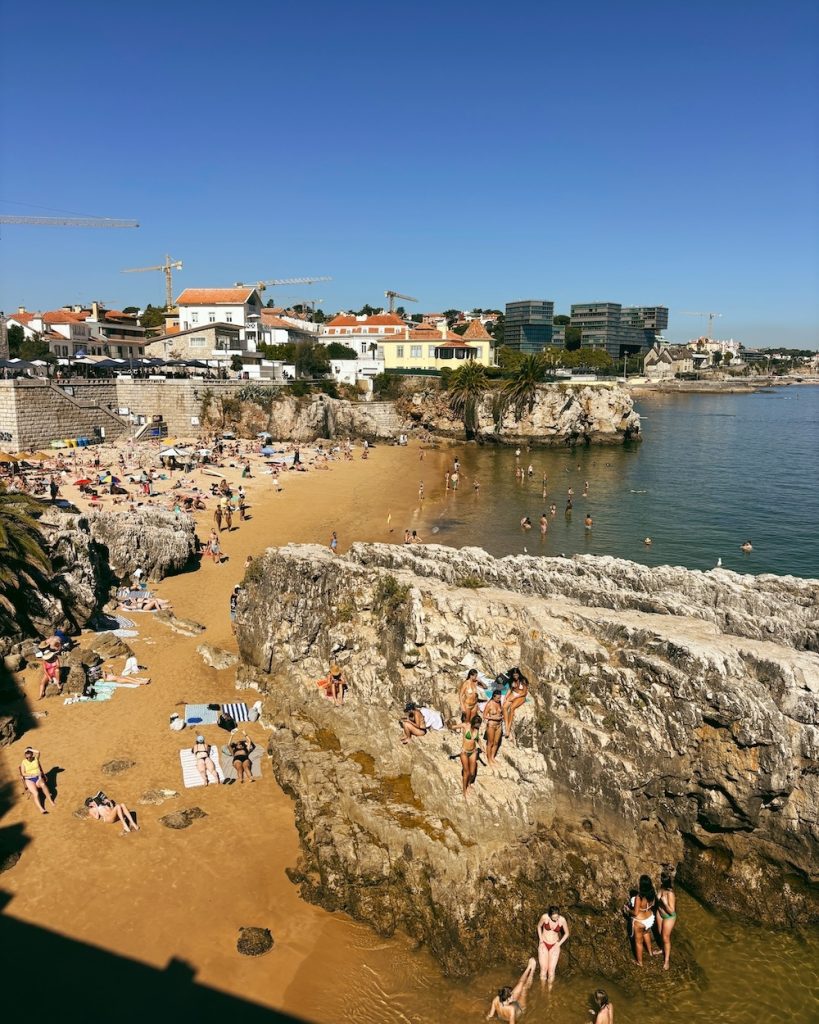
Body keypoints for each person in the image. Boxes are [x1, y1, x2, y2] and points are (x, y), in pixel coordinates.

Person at [630, 874, 660, 965]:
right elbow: (653, 904)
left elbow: (635, 913)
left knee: (638, 942)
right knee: (646, 933)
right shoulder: (652, 893)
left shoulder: (639, 898)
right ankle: (650, 952)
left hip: (640, 921)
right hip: (650, 918)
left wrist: (628, 910)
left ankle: (640, 962)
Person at [537, 905, 569, 985]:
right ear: (550, 915)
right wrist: (541, 940)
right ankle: (542, 991)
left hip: (554, 945)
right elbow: (539, 926)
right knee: (543, 970)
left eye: (557, 916)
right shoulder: (544, 917)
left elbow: (567, 933)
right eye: (554, 917)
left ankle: (549, 994)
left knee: (551, 971)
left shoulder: (562, 920)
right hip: (544, 943)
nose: (556, 919)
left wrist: (559, 944)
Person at [19, 747, 55, 814]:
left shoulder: (36, 759)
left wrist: (29, 749)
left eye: (29, 753)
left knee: (43, 784)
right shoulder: (23, 762)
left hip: (38, 778)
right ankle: (41, 809)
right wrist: (32, 774)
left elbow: (38, 752)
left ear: (32, 753)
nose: (28, 755)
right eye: (27, 753)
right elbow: (23, 773)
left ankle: (50, 801)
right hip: (29, 779)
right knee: (36, 793)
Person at [456, 714, 482, 799]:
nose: (478, 726)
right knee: (466, 772)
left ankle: (469, 784)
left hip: (473, 751)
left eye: (479, 725)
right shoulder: (465, 726)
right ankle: (464, 790)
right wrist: (449, 725)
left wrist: (482, 748)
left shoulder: (477, 730)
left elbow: (478, 740)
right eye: (477, 725)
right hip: (464, 751)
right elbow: (454, 726)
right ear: (473, 723)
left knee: (472, 773)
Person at [657, 872, 677, 970]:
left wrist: (665, 903)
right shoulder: (661, 888)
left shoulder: (670, 894)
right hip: (660, 914)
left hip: (669, 916)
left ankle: (667, 960)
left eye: (660, 879)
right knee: (661, 933)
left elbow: (671, 911)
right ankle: (662, 949)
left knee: (666, 938)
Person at [502, 667, 529, 740]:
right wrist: (505, 698)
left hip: (521, 696)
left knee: (512, 708)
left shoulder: (523, 680)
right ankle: (506, 724)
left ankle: (508, 729)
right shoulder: (512, 680)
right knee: (504, 707)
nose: (515, 676)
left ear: (519, 674)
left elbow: (524, 692)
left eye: (516, 675)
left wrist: (515, 697)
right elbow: (510, 689)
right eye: (514, 675)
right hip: (514, 694)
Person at [483, 689, 504, 766]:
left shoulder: (499, 703)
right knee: (490, 743)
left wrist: (502, 716)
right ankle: (488, 759)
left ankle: (492, 757)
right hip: (491, 725)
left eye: (500, 698)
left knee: (496, 742)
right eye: (498, 698)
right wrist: (495, 718)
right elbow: (484, 716)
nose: (499, 699)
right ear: (493, 697)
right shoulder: (489, 704)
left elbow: (500, 712)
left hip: (499, 725)